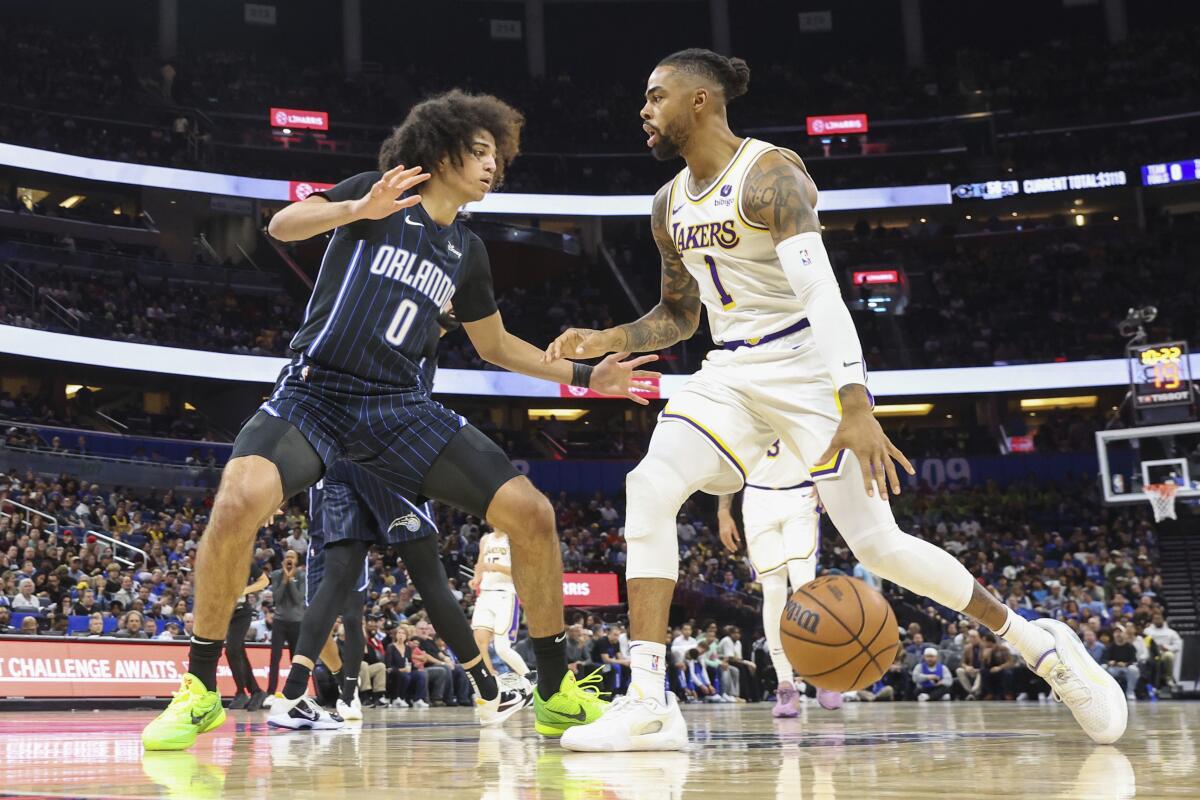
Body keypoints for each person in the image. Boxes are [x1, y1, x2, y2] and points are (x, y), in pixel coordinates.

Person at [546, 48, 1125, 751]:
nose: (644, 109)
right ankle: (649, 702)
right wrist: (605, 335)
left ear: (700, 102)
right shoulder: (667, 205)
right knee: (647, 487)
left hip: (806, 368)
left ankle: (1042, 648)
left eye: (656, 94)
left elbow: (822, 294)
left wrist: (856, 403)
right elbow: (679, 316)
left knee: (879, 547)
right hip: (729, 371)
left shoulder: (772, 176)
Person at [142, 89, 647, 751]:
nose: (494, 166)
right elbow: (281, 226)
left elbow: (495, 347)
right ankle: (201, 689)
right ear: (441, 153)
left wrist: (589, 379)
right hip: (316, 394)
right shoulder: (376, 194)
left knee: (534, 514)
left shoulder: (467, 252)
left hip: (397, 409)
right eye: (481, 152)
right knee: (238, 501)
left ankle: (552, 693)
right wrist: (357, 207)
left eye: (499, 156)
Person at [717, 440, 841, 716]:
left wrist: (825, 480)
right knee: (772, 593)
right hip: (757, 499)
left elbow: (821, 434)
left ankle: (822, 673)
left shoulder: (801, 398)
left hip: (801, 495)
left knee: (803, 587)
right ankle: (785, 684)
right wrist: (723, 510)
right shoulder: (743, 402)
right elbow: (729, 461)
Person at [469, 527, 532, 680]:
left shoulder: (515, 539)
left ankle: (530, 679)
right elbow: (480, 564)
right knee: (479, 642)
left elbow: (520, 570)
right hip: (485, 594)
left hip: (505, 595)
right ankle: (491, 682)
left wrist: (494, 567)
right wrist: (476, 579)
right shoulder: (485, 539)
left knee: (502, 649)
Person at [225, 553, 270, 711]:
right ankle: (256, 692)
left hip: (241, 613)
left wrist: (245, 590)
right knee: (238, 652)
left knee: (232, 650)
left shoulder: (243, 562)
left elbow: (264, 580)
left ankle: (241, 692)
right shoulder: (216, 564)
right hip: (225, 614)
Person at [265, 550, 305, 697]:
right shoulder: (276, 574)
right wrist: (284, 580)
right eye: (287, 557)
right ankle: (270, 692)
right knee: (274, 658)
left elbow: (297, 599)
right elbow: (277, 598)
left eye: (292, 557)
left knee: (295, 659)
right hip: (280, 621)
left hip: (296, 622)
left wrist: (291, 579)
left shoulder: (301, 576)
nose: (289, 559)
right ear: (283, 560)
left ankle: (296, 692)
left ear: (296, 561)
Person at [1103, 627, 1140, 702]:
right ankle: (1110, 693)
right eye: (1116, 633)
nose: (1118, 634)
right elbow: (1105, 659)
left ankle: (1130, 692)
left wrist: (1126, 664)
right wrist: (1110, 662)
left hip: (1127, 668)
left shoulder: (1130, 647)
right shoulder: (1110, 647)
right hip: (1114, 668)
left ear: (1125, 634)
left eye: (1120, 632)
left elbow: (1134, 660)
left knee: (1134, 670)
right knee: (1104, 668)